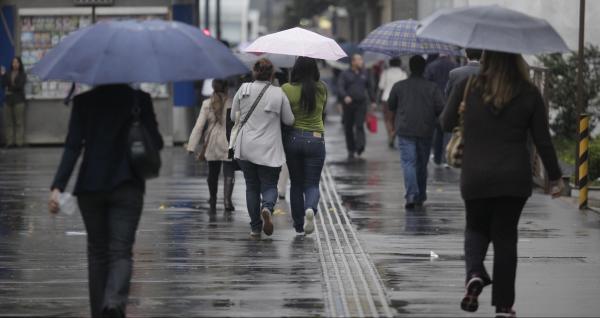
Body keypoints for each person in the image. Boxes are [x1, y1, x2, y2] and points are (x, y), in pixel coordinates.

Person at [440, 51, 563, 318]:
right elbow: (543, 140)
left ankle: (474, 274)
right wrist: (555, 177)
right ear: (517, 60)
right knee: (505, 238)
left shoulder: (468, 86)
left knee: (475, 226)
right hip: (513, 176)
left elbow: (445, 122)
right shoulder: (529, 92)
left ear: (487, 59)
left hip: (475, 174)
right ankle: (504, 307)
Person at [48, 84, 163, 318]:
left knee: (97, 252)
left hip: (91, 186)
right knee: (121, 251)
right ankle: (114, 302)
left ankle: (98, 312)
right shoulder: (139, 99)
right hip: (127, 184)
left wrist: (58, 187)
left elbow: (72, 146)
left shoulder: (83, 102)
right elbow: (157, 142)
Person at [231, 58, 294, 238]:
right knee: (269, 184)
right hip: (269, 148)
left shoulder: (244, 89)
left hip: (246, 147)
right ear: (272, 74)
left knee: (251, 187)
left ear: (254, 72)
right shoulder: (278, 93)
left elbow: (234, 117)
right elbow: (289, 120)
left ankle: (255, 228)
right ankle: (267, 207)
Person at [387, 55, 444, 210]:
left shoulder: (399, 86)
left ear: (410, 68)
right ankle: (420, 196)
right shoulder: (432, 87)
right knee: (422, 164)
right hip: (426, 129)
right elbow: (440, 108)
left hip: (405, 129)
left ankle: (411, 194)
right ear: (424, 68)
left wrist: (392, 126)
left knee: (408, 162)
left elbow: (391, 104)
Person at [282, 56, 327, 235]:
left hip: (293, 140)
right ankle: (310, 208)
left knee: (296, 184)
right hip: (316, 139)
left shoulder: (286, 88)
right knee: (312, 184)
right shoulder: (322, 88)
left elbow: (283, 115)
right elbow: (323, 113)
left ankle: (299, 224)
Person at [187, 79, 235, 213]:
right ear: (226, 88)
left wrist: (191, 146)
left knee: (213, 173)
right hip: (228, 140)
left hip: (212, 142)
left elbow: (199, 126)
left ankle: (213, 198)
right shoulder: (232, 102)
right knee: (229, 171)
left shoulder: (206, 103)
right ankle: (227, 201)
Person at [337, 54, 376, 159]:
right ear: (353, 62)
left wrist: (373, 100)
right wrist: (345, 96)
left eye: (361, 59)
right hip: (348, 104)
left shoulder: (365, 73)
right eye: (358, 60)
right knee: (348, 127)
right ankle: (351, 149)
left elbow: (370, 87)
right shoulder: (345, 74)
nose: (361, 62)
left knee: (359, 125)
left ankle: (360, 146)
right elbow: (340, 87)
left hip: (361, 103)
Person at [425, 54, 458, 167]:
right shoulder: (455, 66)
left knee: (437, 130)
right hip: (449, 101)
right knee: (447, 130)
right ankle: (445, 158)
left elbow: (427, 83)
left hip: (435, 102)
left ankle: (437, 157)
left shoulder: (431, 66)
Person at [378, 57, 407, 148]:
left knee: (387, 119)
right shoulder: (403, 74)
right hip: (399, 99)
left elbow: (381, 86)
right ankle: (394, 132)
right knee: (396, 118)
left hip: (386, 98)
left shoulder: (385, 73)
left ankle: (390, 133)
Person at [1, 57, 27, 148]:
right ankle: (9, 142)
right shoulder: (8, 73)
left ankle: (19, 143)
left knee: (19, 122)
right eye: (13, 62)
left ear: (20, 64)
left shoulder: (22, 74)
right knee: (8, 122)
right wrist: (3, 75)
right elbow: (3, 85)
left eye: (17, 62)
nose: (15, 64)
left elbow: (19, 86)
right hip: (8, 100)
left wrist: (10, 88)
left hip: (19, 100)